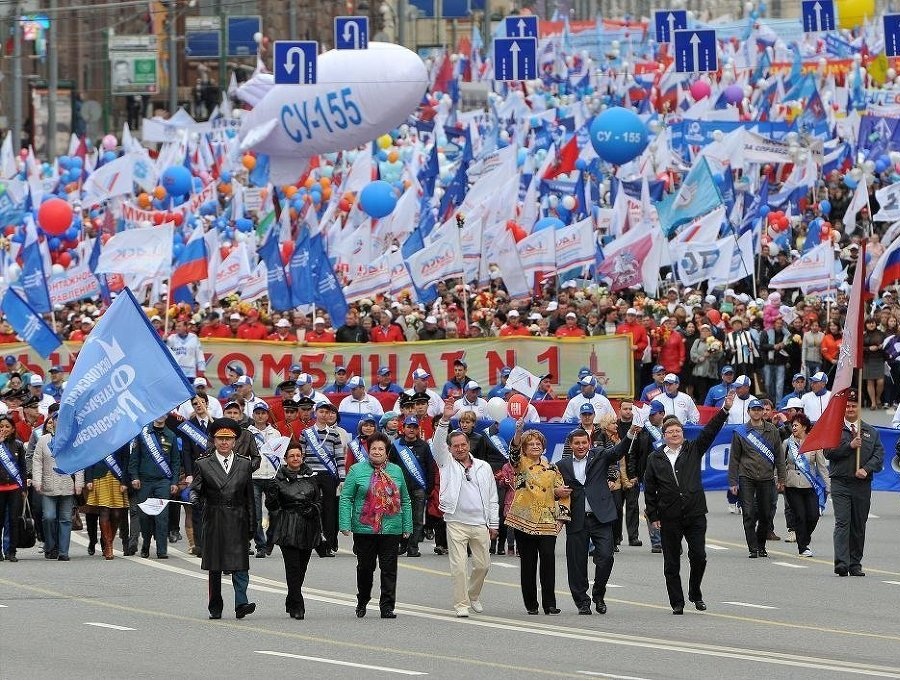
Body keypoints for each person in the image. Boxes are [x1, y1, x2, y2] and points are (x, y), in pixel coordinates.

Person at [643, 389, 735, 614]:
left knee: (699, 556)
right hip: (669, 515)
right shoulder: (655, 458)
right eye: (670, 431)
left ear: (683, 433)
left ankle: (695, 591)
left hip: (694, 512)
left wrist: (724, 410)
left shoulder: (693, 449)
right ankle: (677, 601)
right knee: (672, 562)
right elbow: (650, 489)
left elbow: (711, 431)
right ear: (664, 435)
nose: (675, 434)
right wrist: (653, 516)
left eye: (678, 431)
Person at [432, 399, 499, 617]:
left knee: (483, 566)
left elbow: (492, 496)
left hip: (480, 523)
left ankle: (474, 594)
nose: (460, 449)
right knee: (459, 567)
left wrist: (494, 523)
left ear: (468, 445)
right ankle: (461, 604)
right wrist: (444, 419)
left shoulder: (483, 467)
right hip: (456, 522)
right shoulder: (446, 463)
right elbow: (437, 444)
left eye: (463, 445)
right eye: (455, 446)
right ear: (450, 449)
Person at [189, 418, 257, 620]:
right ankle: (215, 606)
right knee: (215, 567)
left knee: (240, 565)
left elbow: (249, 498)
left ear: (235, 441)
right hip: (215, 519)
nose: (224, 442)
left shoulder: (244, 464)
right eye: (220, 439)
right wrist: (194, 498)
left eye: (228, 439)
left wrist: (252, 525)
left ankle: (241, 604)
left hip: (238, 519)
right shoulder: (202, 463)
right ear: (214, 440)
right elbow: (196, 489)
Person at [556, 427, 629, 615]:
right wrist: (557, 494)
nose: (581, 446)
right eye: (577, 443)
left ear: (589, 442)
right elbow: (555, 491)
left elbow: (618, 451)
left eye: (584, 442)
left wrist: (630, 435)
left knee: (606, 557)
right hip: (577, 519)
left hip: (600, 517)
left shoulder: (599, 455)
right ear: (570, 445)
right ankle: (582, 602)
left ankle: (598, 593)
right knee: (576, 563)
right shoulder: (562, 465)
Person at [339, 432, 412, 619]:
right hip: (365, 528)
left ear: (387, 452)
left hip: (391, 527)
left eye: (381, 449)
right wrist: (345, 523)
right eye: (374, 449)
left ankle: (387, 606)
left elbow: (405, 500)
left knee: (389, 568)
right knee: (365, 567)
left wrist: (407, 526)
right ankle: (362, 599)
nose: (377, 452)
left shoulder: (396, 471)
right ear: (368, 451)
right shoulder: (357, 470)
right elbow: (346, 497)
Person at [506, 422, 570, 615]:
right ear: (525, 448)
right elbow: (514, 453)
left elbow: (564, 493)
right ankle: (531, 604)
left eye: (538, 444)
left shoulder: (552, 467)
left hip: (547, 520)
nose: (535, 446)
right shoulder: (520, 464)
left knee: (548, 561)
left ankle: (550, 603)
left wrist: (561, 519)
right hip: (524, 519)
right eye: (531, 444)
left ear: (544, 446)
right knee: (528, 563)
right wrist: (518, 432)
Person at [824, 390, 884, 577]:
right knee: (843, 522)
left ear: (859, 408)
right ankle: (841, 563)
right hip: (840, 482)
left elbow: (879, 455)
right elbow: (828, 452)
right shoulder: (834, 429)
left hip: (862, 484)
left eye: (853, 405)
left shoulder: (870, 431)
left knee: (858, 524)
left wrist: (866, 469)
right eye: (847, 406)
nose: (850, 409)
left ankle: (855, 563)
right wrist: (849, 446)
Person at [265, 444, 324, 619]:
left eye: (299, 455)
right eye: (292, 456)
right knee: (292, 567)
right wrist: (272, 494)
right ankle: (298, 604)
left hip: (308, 525)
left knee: (302, 568)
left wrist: (314, 509)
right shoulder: (278, 479)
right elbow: (272, 506)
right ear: (286, 459)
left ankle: (291, 599)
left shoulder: (311, 476)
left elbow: (319, 500)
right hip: (288, 525)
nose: (296, 458)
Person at [727, 399, 786, 558]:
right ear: (749, 412)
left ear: (763, 411)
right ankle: (753, 548)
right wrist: (733, 481)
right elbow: (734, 458)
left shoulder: (772, 430)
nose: (757, 412)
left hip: (766, 477)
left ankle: (761, 545)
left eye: (759, 409)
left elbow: (779, 456)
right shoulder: (741, 432)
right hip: (746, 476)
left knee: (766, 514)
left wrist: (782, 478)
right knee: (748, 513)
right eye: (754, 409)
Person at [130, 415, 182, 559]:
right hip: (144, 481)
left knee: (162, 516)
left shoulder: (171, 435)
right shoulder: (143, 434)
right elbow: (134, 457)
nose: (161, 416)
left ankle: (161, 549)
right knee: (144, 516)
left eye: (164, 413)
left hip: (163, 481)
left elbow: (176, 462)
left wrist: (174, 482)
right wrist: (134, 477)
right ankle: (146, 543)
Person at [32, 412, 82, 561]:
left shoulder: (72, 440)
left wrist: (79, 482)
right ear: (51, 423)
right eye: (56, 420)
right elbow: (37, 461)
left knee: (66, 519)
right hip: (48, 484)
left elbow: (79, 461)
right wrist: (37, 480)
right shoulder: (43, 440)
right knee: (48, 517)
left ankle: (63, 551)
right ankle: (50, 546)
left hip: (67, 483)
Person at [783, 414, 830, 557]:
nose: (794, 427)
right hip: (791, 484)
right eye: (793, 425)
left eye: (797, 425)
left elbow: (822, 467)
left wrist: (828, 485)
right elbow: (780, 463)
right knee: (800, 516)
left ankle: (804, 537)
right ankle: (803, 547)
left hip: (810, 484)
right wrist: (777, 479)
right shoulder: (787, 443)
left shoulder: (814, 444)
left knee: (813, 515)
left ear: (804, 427)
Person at [388, 415, 433, 557]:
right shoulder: (396, 445)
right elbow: (390, 467)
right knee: (400, 517)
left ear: (418, 429)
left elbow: (430, 468)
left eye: (414, 427)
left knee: (417, 519)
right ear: (403, 428)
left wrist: (429, 489)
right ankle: (402, 545)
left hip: (418, 488)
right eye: (409, 427)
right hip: (400, 489)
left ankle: (413, 547)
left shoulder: (424, 446)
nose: (412, 430)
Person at [83, 443, 129, 560]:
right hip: (99, 476)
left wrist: (124, 481)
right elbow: (90, 457)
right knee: (104, 511)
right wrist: (88, 478)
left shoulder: (122, 434)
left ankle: (107, 541)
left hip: (116, 477)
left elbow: (126, 460)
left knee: (117, 514)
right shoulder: (98, 433)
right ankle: (108, 546)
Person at [0, 413, 26, 561]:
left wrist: (24, 490)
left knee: (13, 520)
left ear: (12, 428)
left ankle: (11, 551)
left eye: (7, 426)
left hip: (14, 488)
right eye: (1, 426)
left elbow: (22, 469)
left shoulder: (18, 445)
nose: (4, 429)